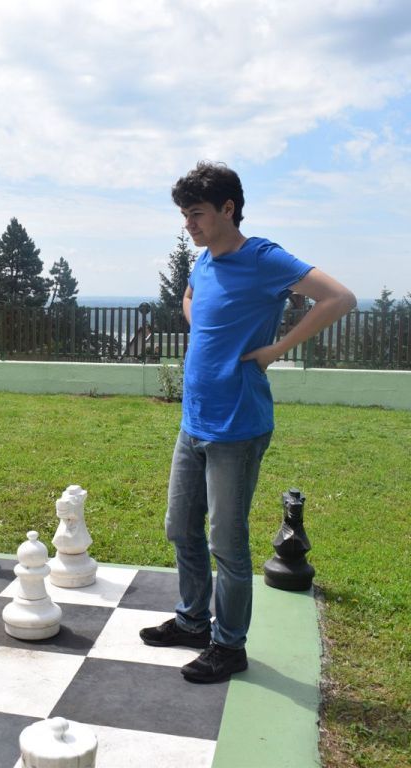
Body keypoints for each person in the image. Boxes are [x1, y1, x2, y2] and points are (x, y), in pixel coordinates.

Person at [140, 161, 356, 684]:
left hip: (237, 426)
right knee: (181, 528)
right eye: (184, 215)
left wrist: (276, 349)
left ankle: (229, 645)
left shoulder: (261, 256)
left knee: (227, 542)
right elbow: (190, 295)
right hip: (194, 422)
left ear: (227, 208)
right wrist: (199, 321)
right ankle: (193, 621)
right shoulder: (204, 263)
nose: (188, 225)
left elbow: (339, 298)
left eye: (196, 214)